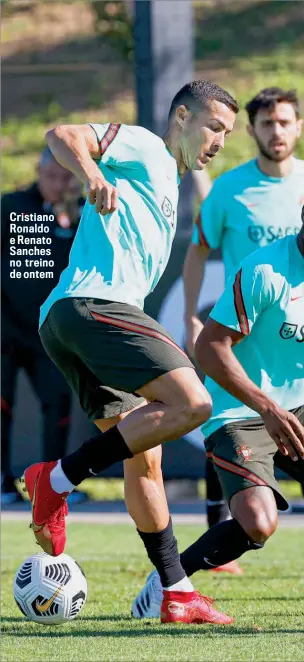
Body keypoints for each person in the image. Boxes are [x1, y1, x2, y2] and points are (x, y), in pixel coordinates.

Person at [22, 80, 238, 625]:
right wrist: (91, 172)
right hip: (94, 305)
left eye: (226, 134)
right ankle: (57, 479)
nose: (218, 141)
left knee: (145, 461)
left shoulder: (172, 182)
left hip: (69, 320)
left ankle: (177, 593)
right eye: (213, 126)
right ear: (183, 116)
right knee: (194, 402)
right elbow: (61, 134)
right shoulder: (145, 146)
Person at [133, 207, 304, 618]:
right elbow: (209, 348)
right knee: (259, 523)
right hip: (239, 412)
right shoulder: (265, 269)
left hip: (296, 408)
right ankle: (167, 582)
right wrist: (267, 407)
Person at [182, 86, 304, 551]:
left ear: (298, 126)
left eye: (285, 121)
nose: (277, 131)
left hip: (289, 338)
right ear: (251, 130)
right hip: (238, 327)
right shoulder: (230, 187)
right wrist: (194, 315)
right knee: (232, 419)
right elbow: (198, 250)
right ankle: (218, 541)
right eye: (267, 123)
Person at [1, 148, 87, 504]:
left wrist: (72, 215)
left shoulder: (85, 212)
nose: (58, 183)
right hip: (5, 329)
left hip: (49, 333)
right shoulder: (11, 205)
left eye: (66, 176)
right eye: (51, 175)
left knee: (59, 401)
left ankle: (54, 483)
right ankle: (3, 481)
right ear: (38, 172)